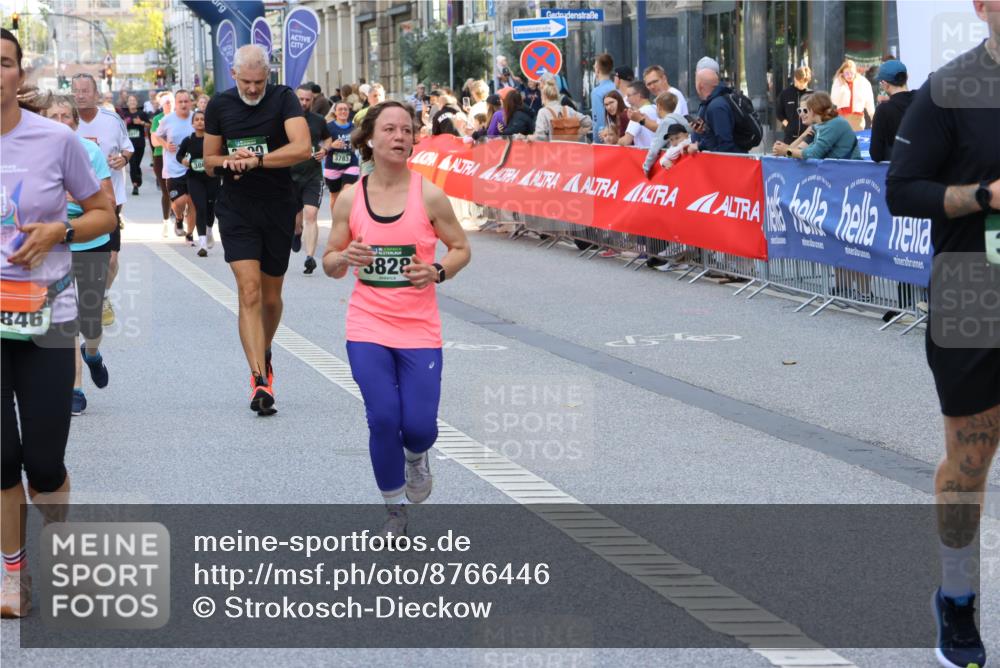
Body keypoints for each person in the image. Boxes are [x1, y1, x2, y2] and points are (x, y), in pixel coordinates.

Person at [886, 3, 1000, 666]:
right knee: (970, 459)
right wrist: (984, 196)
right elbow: (902, 190)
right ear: (983, 6)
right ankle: (957, 601)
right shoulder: (950, 88)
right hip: (973, 296)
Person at [1, 28, 116, 619]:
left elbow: (102, 214)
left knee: (43, 461)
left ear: (21, 75)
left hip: (46, 316)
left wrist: (59, 231)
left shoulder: (56, 139)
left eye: (3, 63)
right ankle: (14, 576)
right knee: (0, 456)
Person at [321, 100, 471, 538]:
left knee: (419, 427)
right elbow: (330, 262)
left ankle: (415, 458)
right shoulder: (351, 197)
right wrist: (344, 256)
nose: (400, 137)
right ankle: (394, 509)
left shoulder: (428, 195)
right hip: (367, 325)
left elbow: (461, 248)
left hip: (419, 329)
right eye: (390, 129)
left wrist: (439, 270)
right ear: (370, 137)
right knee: (383, 417)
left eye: (407, 129)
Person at [203, 44, 310, 415]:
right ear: (234, 75)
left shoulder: (283, 99)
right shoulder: (220, 105)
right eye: (246, 82)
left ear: (269, 75)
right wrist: (230, 161)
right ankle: (259, 378)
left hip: (278, 206)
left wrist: (259, 161)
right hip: (237, 210)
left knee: (269, 297)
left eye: (258, 81)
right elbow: (209, 161)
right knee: (248, 291)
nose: (252, 89)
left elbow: (302, 148)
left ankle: (263, 346)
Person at [41, 94, 118, 417]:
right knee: (66, 319)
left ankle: (93, 353)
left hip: (90, 239)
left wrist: (79, 196)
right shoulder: (35, 154)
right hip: (56, 243)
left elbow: (108, 201)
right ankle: (75, 387)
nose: (60, 123)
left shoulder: (89, 152)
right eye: (53, 117)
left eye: (65, 116)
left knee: (90, 321)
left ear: (75, 121)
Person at [73, 73, 132, 328]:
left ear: (96, 94)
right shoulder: (65, 122)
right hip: (72, 205)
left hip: (109, 200)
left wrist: (124, 159)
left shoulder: (111, 120)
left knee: (111, 259)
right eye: (76, 90)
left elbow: (128, 147)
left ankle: (103, 295)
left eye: (86, 90)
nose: (80, 95)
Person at [291, 84, 332, 273]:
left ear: (312, 101)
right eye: (301, 99)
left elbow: (328, 139)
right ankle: (297, 233)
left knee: (311, 214)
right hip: (290, 176)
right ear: (295, 98)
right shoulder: (286, 120)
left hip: (313, 175)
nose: (304, 103)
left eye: (308, 99)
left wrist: (324, 150)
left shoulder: (318, 120)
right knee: (295, 219)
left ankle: (309, 258)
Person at [154, 89, 196, 243]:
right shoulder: (168, 120)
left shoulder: (196, 118)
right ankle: (178, 218)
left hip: (192, 167)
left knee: (192, 201)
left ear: (191, 102)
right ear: (176, 104)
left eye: (186, 101)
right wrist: (165, 145)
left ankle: (190, 234)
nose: (184, 104)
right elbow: (157, 135)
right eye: (180, 102)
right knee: (179, 202)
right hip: (173, 167)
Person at [177, 109, 220, 257]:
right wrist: (183, 160)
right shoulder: (188, 140)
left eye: (203, 119)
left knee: (210, 207)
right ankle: (202, 243)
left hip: (212, 177)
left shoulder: (213, 139)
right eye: (197, 119)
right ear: (192, 123)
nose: (200, 121)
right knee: (200, 207)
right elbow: (179, 154)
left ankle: (208, 230)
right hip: (194, 178)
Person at [771, 92, 860, 160]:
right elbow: (804, 152)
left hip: (849, 172)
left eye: (806, 110)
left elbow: (813, 154)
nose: (802, 114)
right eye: (800, 110)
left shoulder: (833, 124)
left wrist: (786, 151)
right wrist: (785, 150)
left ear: (813, 110)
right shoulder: (823, 125)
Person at [324, 101, 361, 249]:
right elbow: (322, 145)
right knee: (334, 196)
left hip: (350, 164)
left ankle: (348, 222)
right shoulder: (329, 127)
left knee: (347, 193)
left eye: (346, 109)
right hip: (333, 166)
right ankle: (337, 222)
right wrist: (331, 146)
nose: (343, 112)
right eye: (340, 109)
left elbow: (359, 143)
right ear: (335, 112)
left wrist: (356, 145)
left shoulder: (354, 128)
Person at [869, 60, 914, 163]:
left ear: (884, 84)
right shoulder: (921, 100)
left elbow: (876, 154)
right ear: (907, 76)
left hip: (900, 170)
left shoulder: (883, 110)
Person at [691, 66, 742, 153]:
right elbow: (714, 139)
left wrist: (700, 146)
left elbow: (725, 145)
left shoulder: (716, 106)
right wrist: (703, 132)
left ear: (699, 86)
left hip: (730, 163)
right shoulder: (717, 102)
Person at [642, 92, 692, 175]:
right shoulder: (681, 119)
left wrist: (646, 167)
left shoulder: (666, 122)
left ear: (659, 106)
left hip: (675, 165)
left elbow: (655, 148)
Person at [149, 91, 175, 237]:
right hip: (160, 157)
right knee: (166, 190)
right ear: (162, 105)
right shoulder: (158, 119)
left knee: (181, 189)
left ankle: (179, 218)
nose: (169, 104)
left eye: (171, 101)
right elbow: (154, 142)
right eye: (166, 102)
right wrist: (166, 143)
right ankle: (166, 222)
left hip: (177, 156)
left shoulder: (179, 117)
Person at [830, 59, 875, 131]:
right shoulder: (838, 82)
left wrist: (873, 117)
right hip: (842, 117)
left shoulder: (863, 82)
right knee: (843, 141)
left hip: (857, 119)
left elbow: (869, 102)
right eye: (846, 73)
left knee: (857, 140)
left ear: (855, 72)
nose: (849, 75)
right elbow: (834, 100)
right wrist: (842, 85)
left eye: (851, 73)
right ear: (842, 73)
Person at [118, 94, 149, 196]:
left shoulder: (142, 113)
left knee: (137, 164)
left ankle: (138, 175)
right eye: (130, 101)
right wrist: (125, 122)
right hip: (128, 145)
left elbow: (150, 125)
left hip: (140, 143)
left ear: (136, 102)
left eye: (133, 100)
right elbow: (119, 126)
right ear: (127, 103)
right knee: (132, 164)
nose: (132, 102)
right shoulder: (124, 114)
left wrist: (141, 123)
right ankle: (135, 185)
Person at [775, 66, 814, 144]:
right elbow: (779, 112)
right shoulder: (785, 93)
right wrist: (788, 125)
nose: (799, 84)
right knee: (789, 154)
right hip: (790, 137)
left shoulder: (812, 95)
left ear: (807, 81)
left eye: (802, 82)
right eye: (797, 80)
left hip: (807, 137)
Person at [618, 81, 657, 149]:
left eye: (629, 95)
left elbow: (626, 141)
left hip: (643, 156)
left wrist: (617, 141)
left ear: (639, 96)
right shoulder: (656, 108)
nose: (627, 99)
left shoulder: (637, 114)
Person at [590, 53, 616, 143]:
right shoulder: (617, 87)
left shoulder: (597, 92)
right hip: (618, 136)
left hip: (606, 140)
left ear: (597, 69)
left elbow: (598, 121)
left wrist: (596, 141)